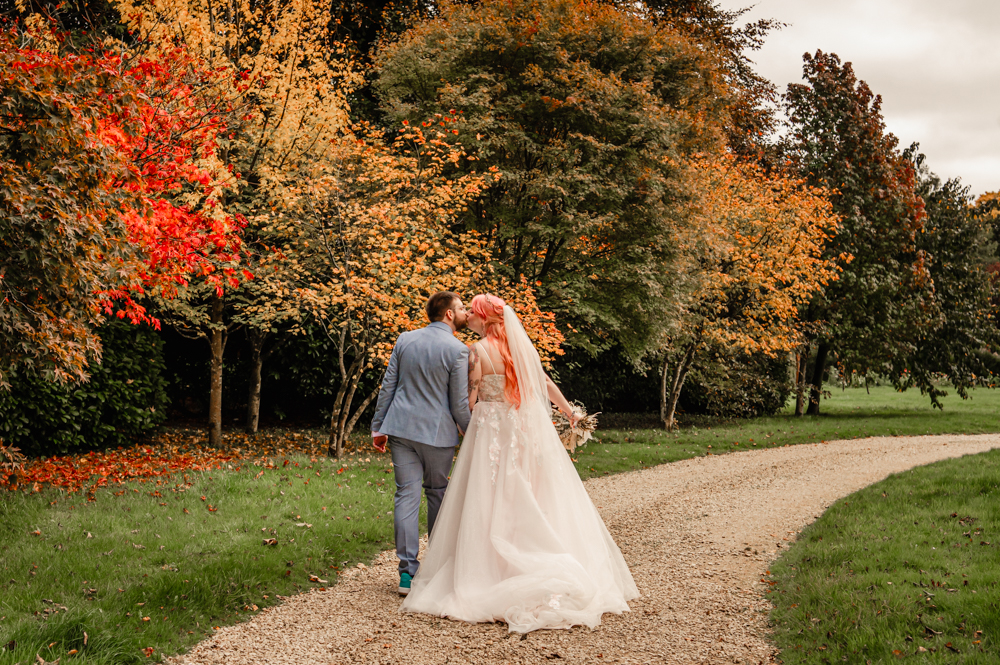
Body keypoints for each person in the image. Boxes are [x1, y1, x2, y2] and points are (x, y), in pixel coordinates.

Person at [400, 294, 639, 633]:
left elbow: (469, 398)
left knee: (486, 494)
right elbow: (546, 383)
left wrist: (456, 423)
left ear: (483, 318)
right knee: (525, 491)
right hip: (520, 430)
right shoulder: (520, 349)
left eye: (473, 309)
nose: (468, 313)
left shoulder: (476, 351)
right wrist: (571, 413)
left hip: (488, 431)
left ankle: (487, 567)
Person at [370, 291, 472, 597]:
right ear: (449, 314)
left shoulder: (405, 339)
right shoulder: (459, 350)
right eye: (462, 308)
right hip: (438, 435)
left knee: (406, 496)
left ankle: (406, 574)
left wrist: (378, 426)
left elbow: (389, 384)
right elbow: (459, 404)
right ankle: (437, 569)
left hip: (400, 429)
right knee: (437, 494)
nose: (465, 312)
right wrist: (472, 433)